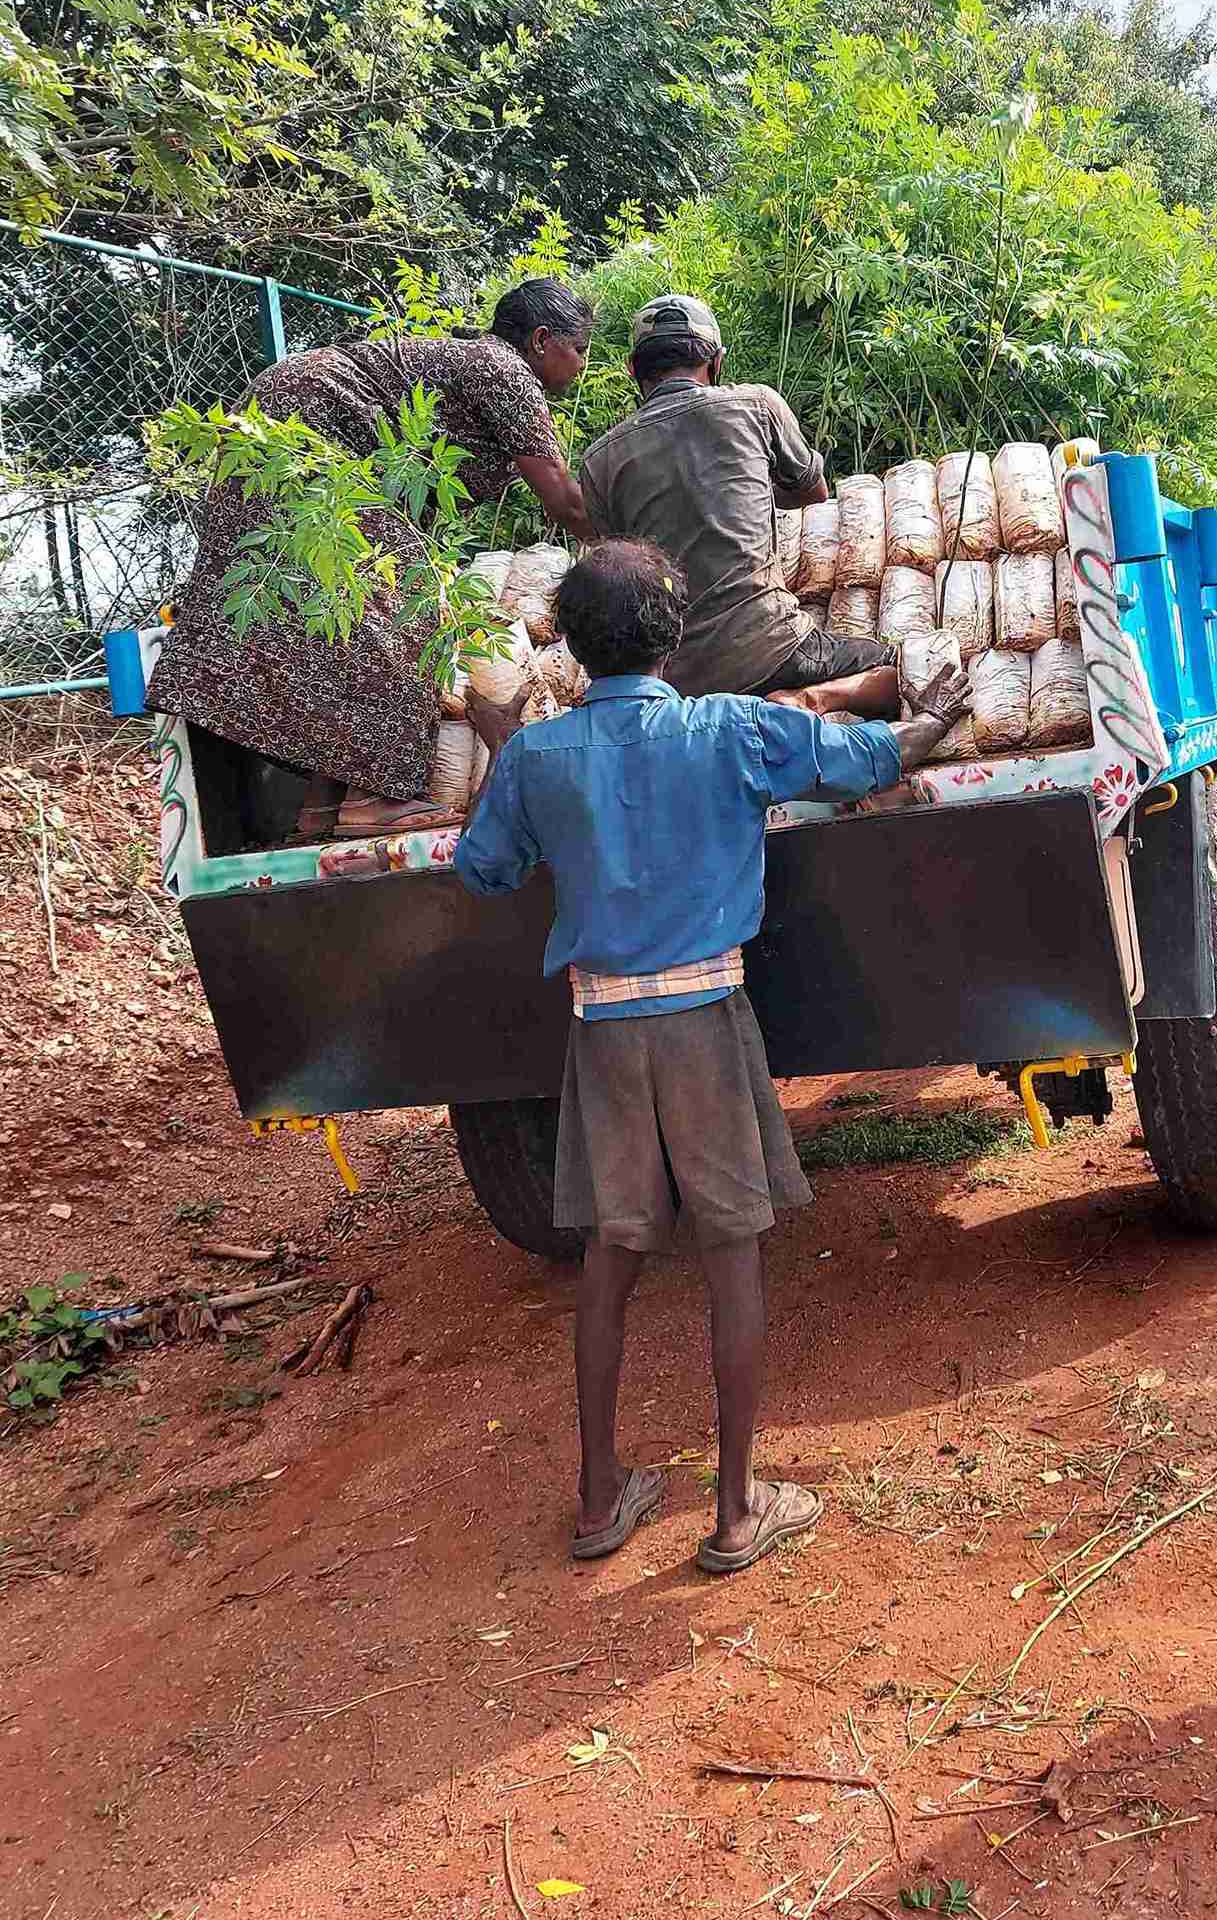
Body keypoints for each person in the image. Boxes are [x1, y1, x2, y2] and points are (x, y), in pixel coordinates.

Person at [453, 538, 971, 1572]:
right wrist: (929, 723)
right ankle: (737, 1510)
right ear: (675, 636)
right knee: (731, 1252)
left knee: (611, 1254)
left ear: (572, 648)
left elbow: (483, 869)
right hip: (705, 1020)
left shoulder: (538, 757)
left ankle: (600, 1498)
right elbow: (859, 761)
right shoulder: (728, 727)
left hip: (603, 1029)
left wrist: (512, 752)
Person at [149, 279, 596, 840]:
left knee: (344, 619)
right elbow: (563, 499)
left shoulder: (479, 366)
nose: (581, 365)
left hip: (285, 426)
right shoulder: (504, 368)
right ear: (541, 339)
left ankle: (322, 806)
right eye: (579, 349)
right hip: (304, 435)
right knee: (399, 608)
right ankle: (373, 800)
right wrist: (622, 555)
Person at [577, 294, 900, 715]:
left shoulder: (599, 460)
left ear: (633, 370)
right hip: (773, 648)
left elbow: (621, 565)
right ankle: (813, 699)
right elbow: (814, 493)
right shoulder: (756, 405)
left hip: (676, 678)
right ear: (716, 361)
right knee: (896, 669)